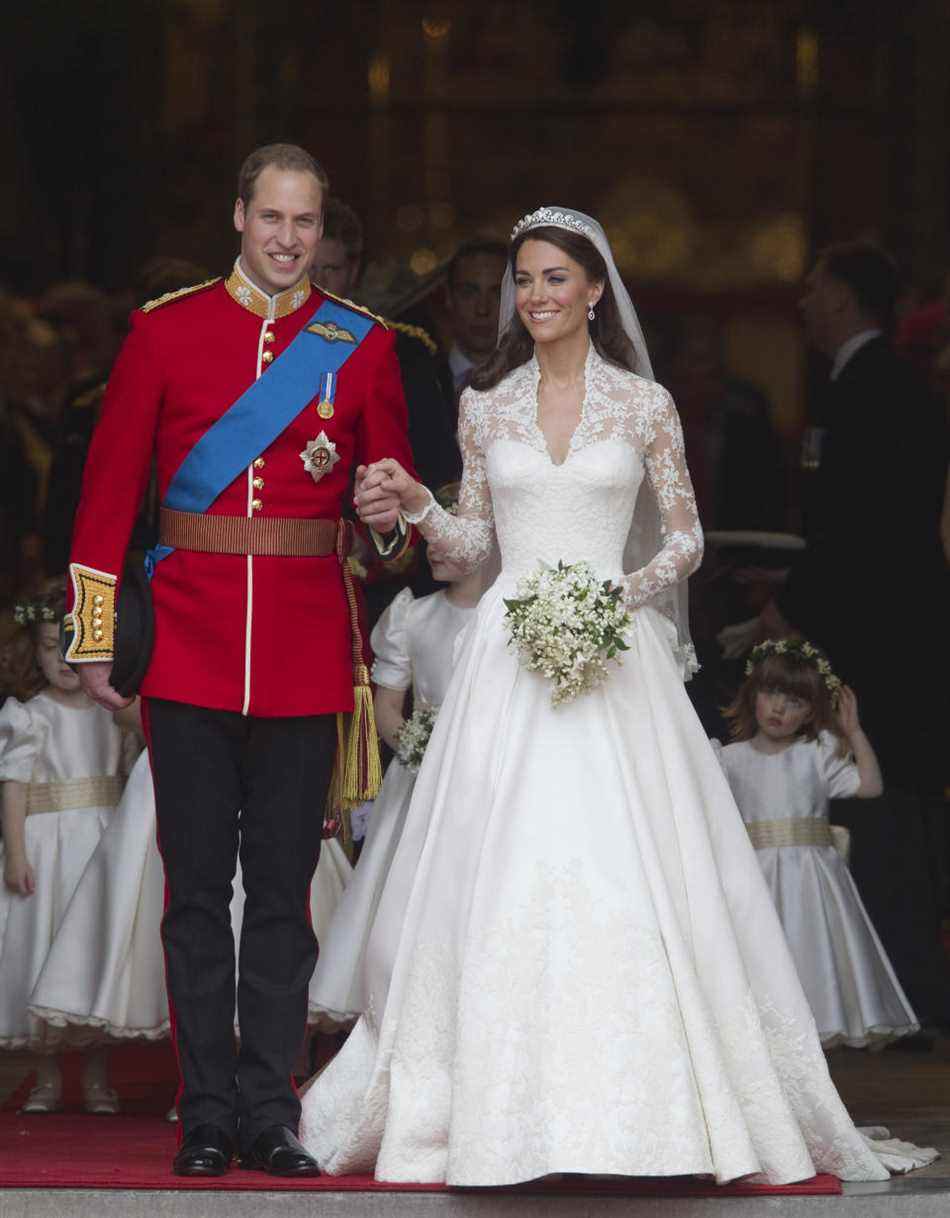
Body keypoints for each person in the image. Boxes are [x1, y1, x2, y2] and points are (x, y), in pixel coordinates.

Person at [298, 207, 936, 1187]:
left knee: (630, 869)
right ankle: (491, 1111)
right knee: (499, 868)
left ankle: (647, 1114)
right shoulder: (486, 408)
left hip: (610, 651)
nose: (535, 295)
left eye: (555, 278)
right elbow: (470, 552)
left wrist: (610, 596)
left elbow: (681, 541)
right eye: (523, 279)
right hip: (507, 656)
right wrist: (422, 506)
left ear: (594, 291)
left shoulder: (643, 406)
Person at [63, 143, 415, 1178]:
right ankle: (204, 1108)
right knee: (191, 892)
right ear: (238, 217)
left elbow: (390, 531)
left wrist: (390, 521)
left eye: (304, 224)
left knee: (280, 894)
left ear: (322, 232)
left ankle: (271, 1106)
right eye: (271, 218)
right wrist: (95, 639)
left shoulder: (362, 345)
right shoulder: (165, 331)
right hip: (187, 649)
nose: (286, 239)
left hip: (305, 650)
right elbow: (106, 494)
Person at [721, 241, 949, 1023]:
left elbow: (861, 530)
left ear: (847, 301)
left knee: (886, 823)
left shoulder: (872, 387)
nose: (804, 303)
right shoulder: (868, 383)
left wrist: (785, 614)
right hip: (879, 629)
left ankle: (899, 990)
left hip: (881, 644)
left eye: (815, 290)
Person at [28, 698, 352, 1056]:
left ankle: (268, 1074)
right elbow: (122, 704)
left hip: (267, 758)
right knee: (185, 918)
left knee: (272, 915)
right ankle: (202, 1075)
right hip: (181, 760)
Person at [307, 494, 485, 1025]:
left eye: (446, 535)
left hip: (488, 774)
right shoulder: (412, 614)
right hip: (422, 777)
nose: (433, 546)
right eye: (427, 535)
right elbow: (387, 708)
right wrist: (420, 745)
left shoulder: (507, 618)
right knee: (407, 895)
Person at [715, 639, 918, 1050]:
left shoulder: (816, 752)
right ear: (753, 694)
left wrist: (854, 731)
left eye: (794, 702)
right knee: (763, 962)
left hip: (811, 879)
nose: (779, 709)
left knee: (811, 957)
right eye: (771, 694)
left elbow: (870, 786)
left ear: (810, 712)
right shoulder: (728, 759)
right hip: (755, 878)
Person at [0, 588, 127, 1113]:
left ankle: (97, 1074)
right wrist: (14, 854)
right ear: (36, 650)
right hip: (46, 847)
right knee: (44, 947)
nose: (67, 659)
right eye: (53, 647)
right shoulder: (28, 715)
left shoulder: (113, 713)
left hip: (102, 842)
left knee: (95, 952)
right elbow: (13, 785)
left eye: (79, 646)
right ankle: (47, 1075)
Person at [312, 199, 460, 491]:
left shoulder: (400, 351)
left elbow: (432, 464)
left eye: (331, 269)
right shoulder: (263, 346)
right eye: (308, 267)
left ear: (353, 272)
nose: (318, 282)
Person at [443, 237, 508, 392]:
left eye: (498, 294)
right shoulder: (410, 382)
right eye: (468, 293)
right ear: (449, 298)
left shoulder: (541, 381)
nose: (482, 309)